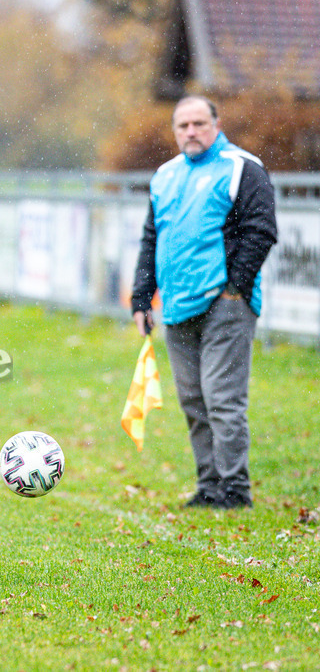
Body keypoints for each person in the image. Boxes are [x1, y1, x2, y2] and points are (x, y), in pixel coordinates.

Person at [131, 95, 278, 510]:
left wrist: (235, 287)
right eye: (183, 125)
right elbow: (151, 239)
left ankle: (235, 490)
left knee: (222, 398)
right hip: (177, 307)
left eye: (198, 123)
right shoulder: (165, 175)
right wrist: (142, 298)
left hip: (225, 304)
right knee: (193, 400)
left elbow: (261, 229)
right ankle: (209, 485)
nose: (191, 132)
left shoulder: (241, 167)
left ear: (216, 124)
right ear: (175, 130)